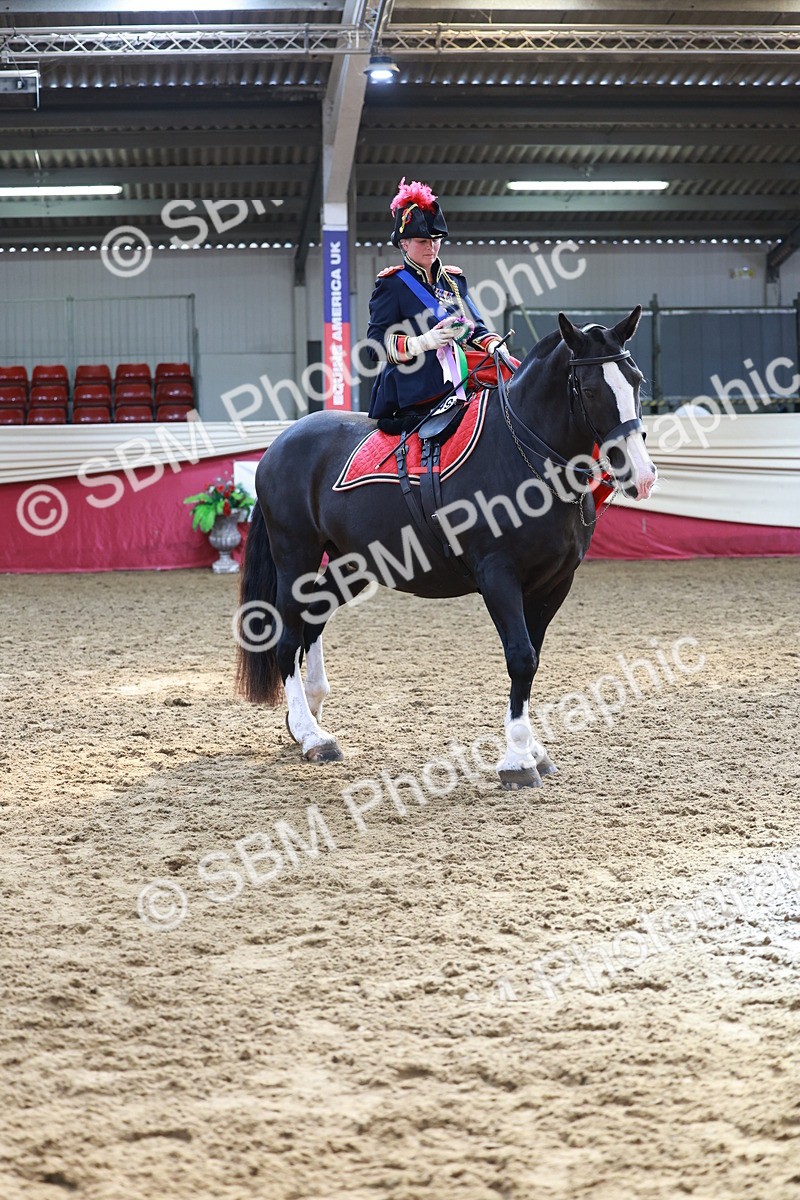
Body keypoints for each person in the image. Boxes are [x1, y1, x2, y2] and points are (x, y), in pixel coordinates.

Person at [366, 178, 509, 421]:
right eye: (423, 241)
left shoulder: (453, 280)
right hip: (415, 381)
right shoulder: (392, 285)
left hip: (460, 372)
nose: (431, 247)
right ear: (404, 244)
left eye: (436, 240)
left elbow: (475, 328)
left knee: (511, 370)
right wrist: (422, 342)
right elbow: (375, 346)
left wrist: (495, 345)